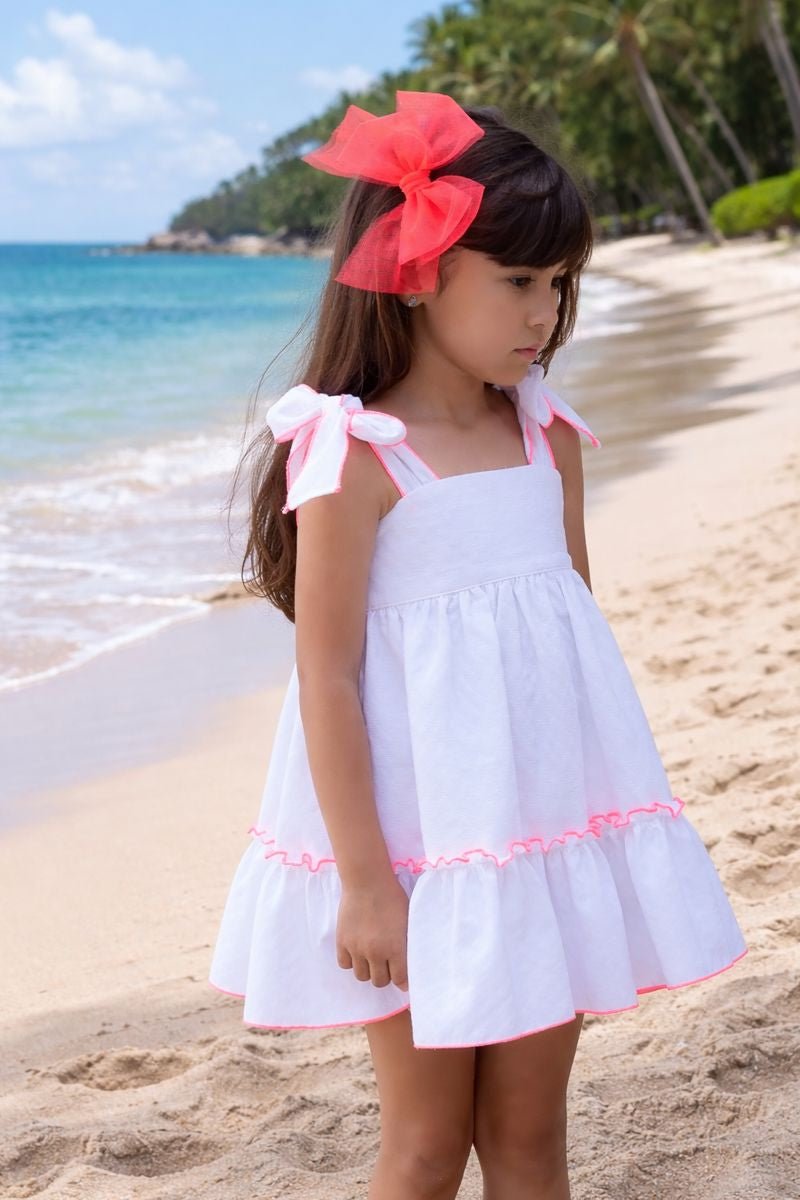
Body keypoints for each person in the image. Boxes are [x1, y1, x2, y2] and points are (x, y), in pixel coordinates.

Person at [208, 90, 748, 1200]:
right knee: (424, 1142)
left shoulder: (543, 433)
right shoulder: (356, 454)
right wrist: (366, 883)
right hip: (413, 852)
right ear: (416, 270)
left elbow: (571, 634)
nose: (543, 313)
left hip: (535, 833)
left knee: (527, 1136)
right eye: (518, 281)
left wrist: (589, 828)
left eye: (558, 284)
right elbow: (326, 674)